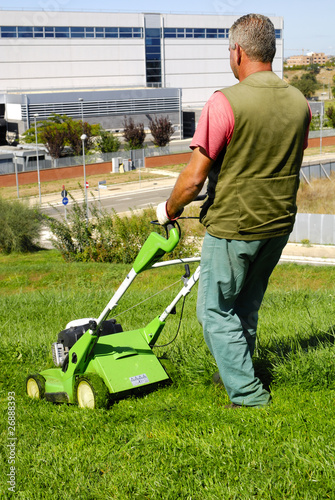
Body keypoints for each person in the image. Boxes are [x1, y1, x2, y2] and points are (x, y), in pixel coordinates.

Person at [156, 13, 311, 408]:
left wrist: (168, 210)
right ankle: (237, 370)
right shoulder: (299, 103)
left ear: (237, 51)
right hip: (278, 224)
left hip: (234, 226)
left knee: (214, 310)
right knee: (245, 305)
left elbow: (193, 180)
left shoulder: (224, 102)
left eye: (229, 49)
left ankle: (247, 394)